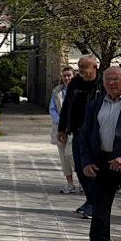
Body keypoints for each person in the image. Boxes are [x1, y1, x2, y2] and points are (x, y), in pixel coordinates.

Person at [77, 66, 121, 241]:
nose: (112, 83)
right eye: (108, 80)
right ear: (103, 82)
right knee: (100, 209)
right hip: (103, 163)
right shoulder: (95, 104)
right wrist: (87, 161)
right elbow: (84, 135)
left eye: (116, 79)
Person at [59, 55, 103, 219]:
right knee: (79, 168)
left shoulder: (101, 84)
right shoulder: (75, 84)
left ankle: (94, 204)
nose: (81, 70)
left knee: (92, 169)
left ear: (95, 67)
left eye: (84, 66)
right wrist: (62, 127)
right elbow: (67, 106)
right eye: (79, 66)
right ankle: (90, 200)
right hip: (78, 132)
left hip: (96, 135)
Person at [49, 66, 78, 195]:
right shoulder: (57, 91)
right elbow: (52, 109)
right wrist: (61, 123)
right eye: (64, 75)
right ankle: (70, 183)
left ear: (73, 76)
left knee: (70, 155)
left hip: (74, 129)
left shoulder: (79, 91)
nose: (67, 78)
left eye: (69, 75)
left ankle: (84, 181)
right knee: (63, 158)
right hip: (60, 128)